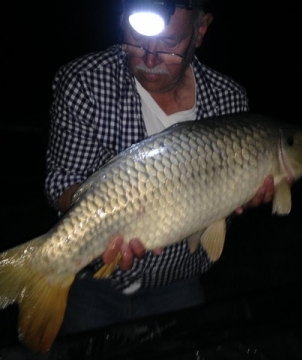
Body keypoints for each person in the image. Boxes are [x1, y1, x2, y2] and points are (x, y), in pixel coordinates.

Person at [44, 0, 275, 334]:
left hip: (179, 286)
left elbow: (219, 207)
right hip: (92, 284)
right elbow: (63, 182)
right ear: (122, 19)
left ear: (200, 30)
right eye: (137, 39)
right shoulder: (85, 82)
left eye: (169, 45)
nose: (150, 58)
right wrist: (105, 218)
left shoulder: (230, 102)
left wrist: (247, 197)